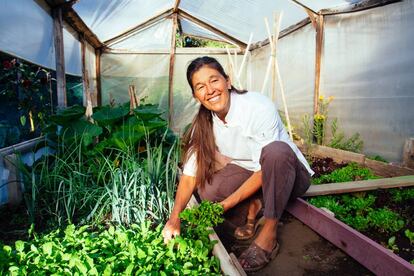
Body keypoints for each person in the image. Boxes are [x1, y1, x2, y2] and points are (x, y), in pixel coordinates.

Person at [162, 56, 313, 272]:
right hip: (248, 170)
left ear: (227, 81)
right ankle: (256, 205)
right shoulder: (204, 123)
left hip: (287, 172)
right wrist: (174, 218)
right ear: (196, 95)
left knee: (275, 151)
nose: (210, 90)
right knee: (207, 191)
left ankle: (269, 232)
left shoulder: (257, 107)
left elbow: (265, 168)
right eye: (201, 86)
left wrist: (226, 205)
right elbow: (189, 176)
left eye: (214, 80)